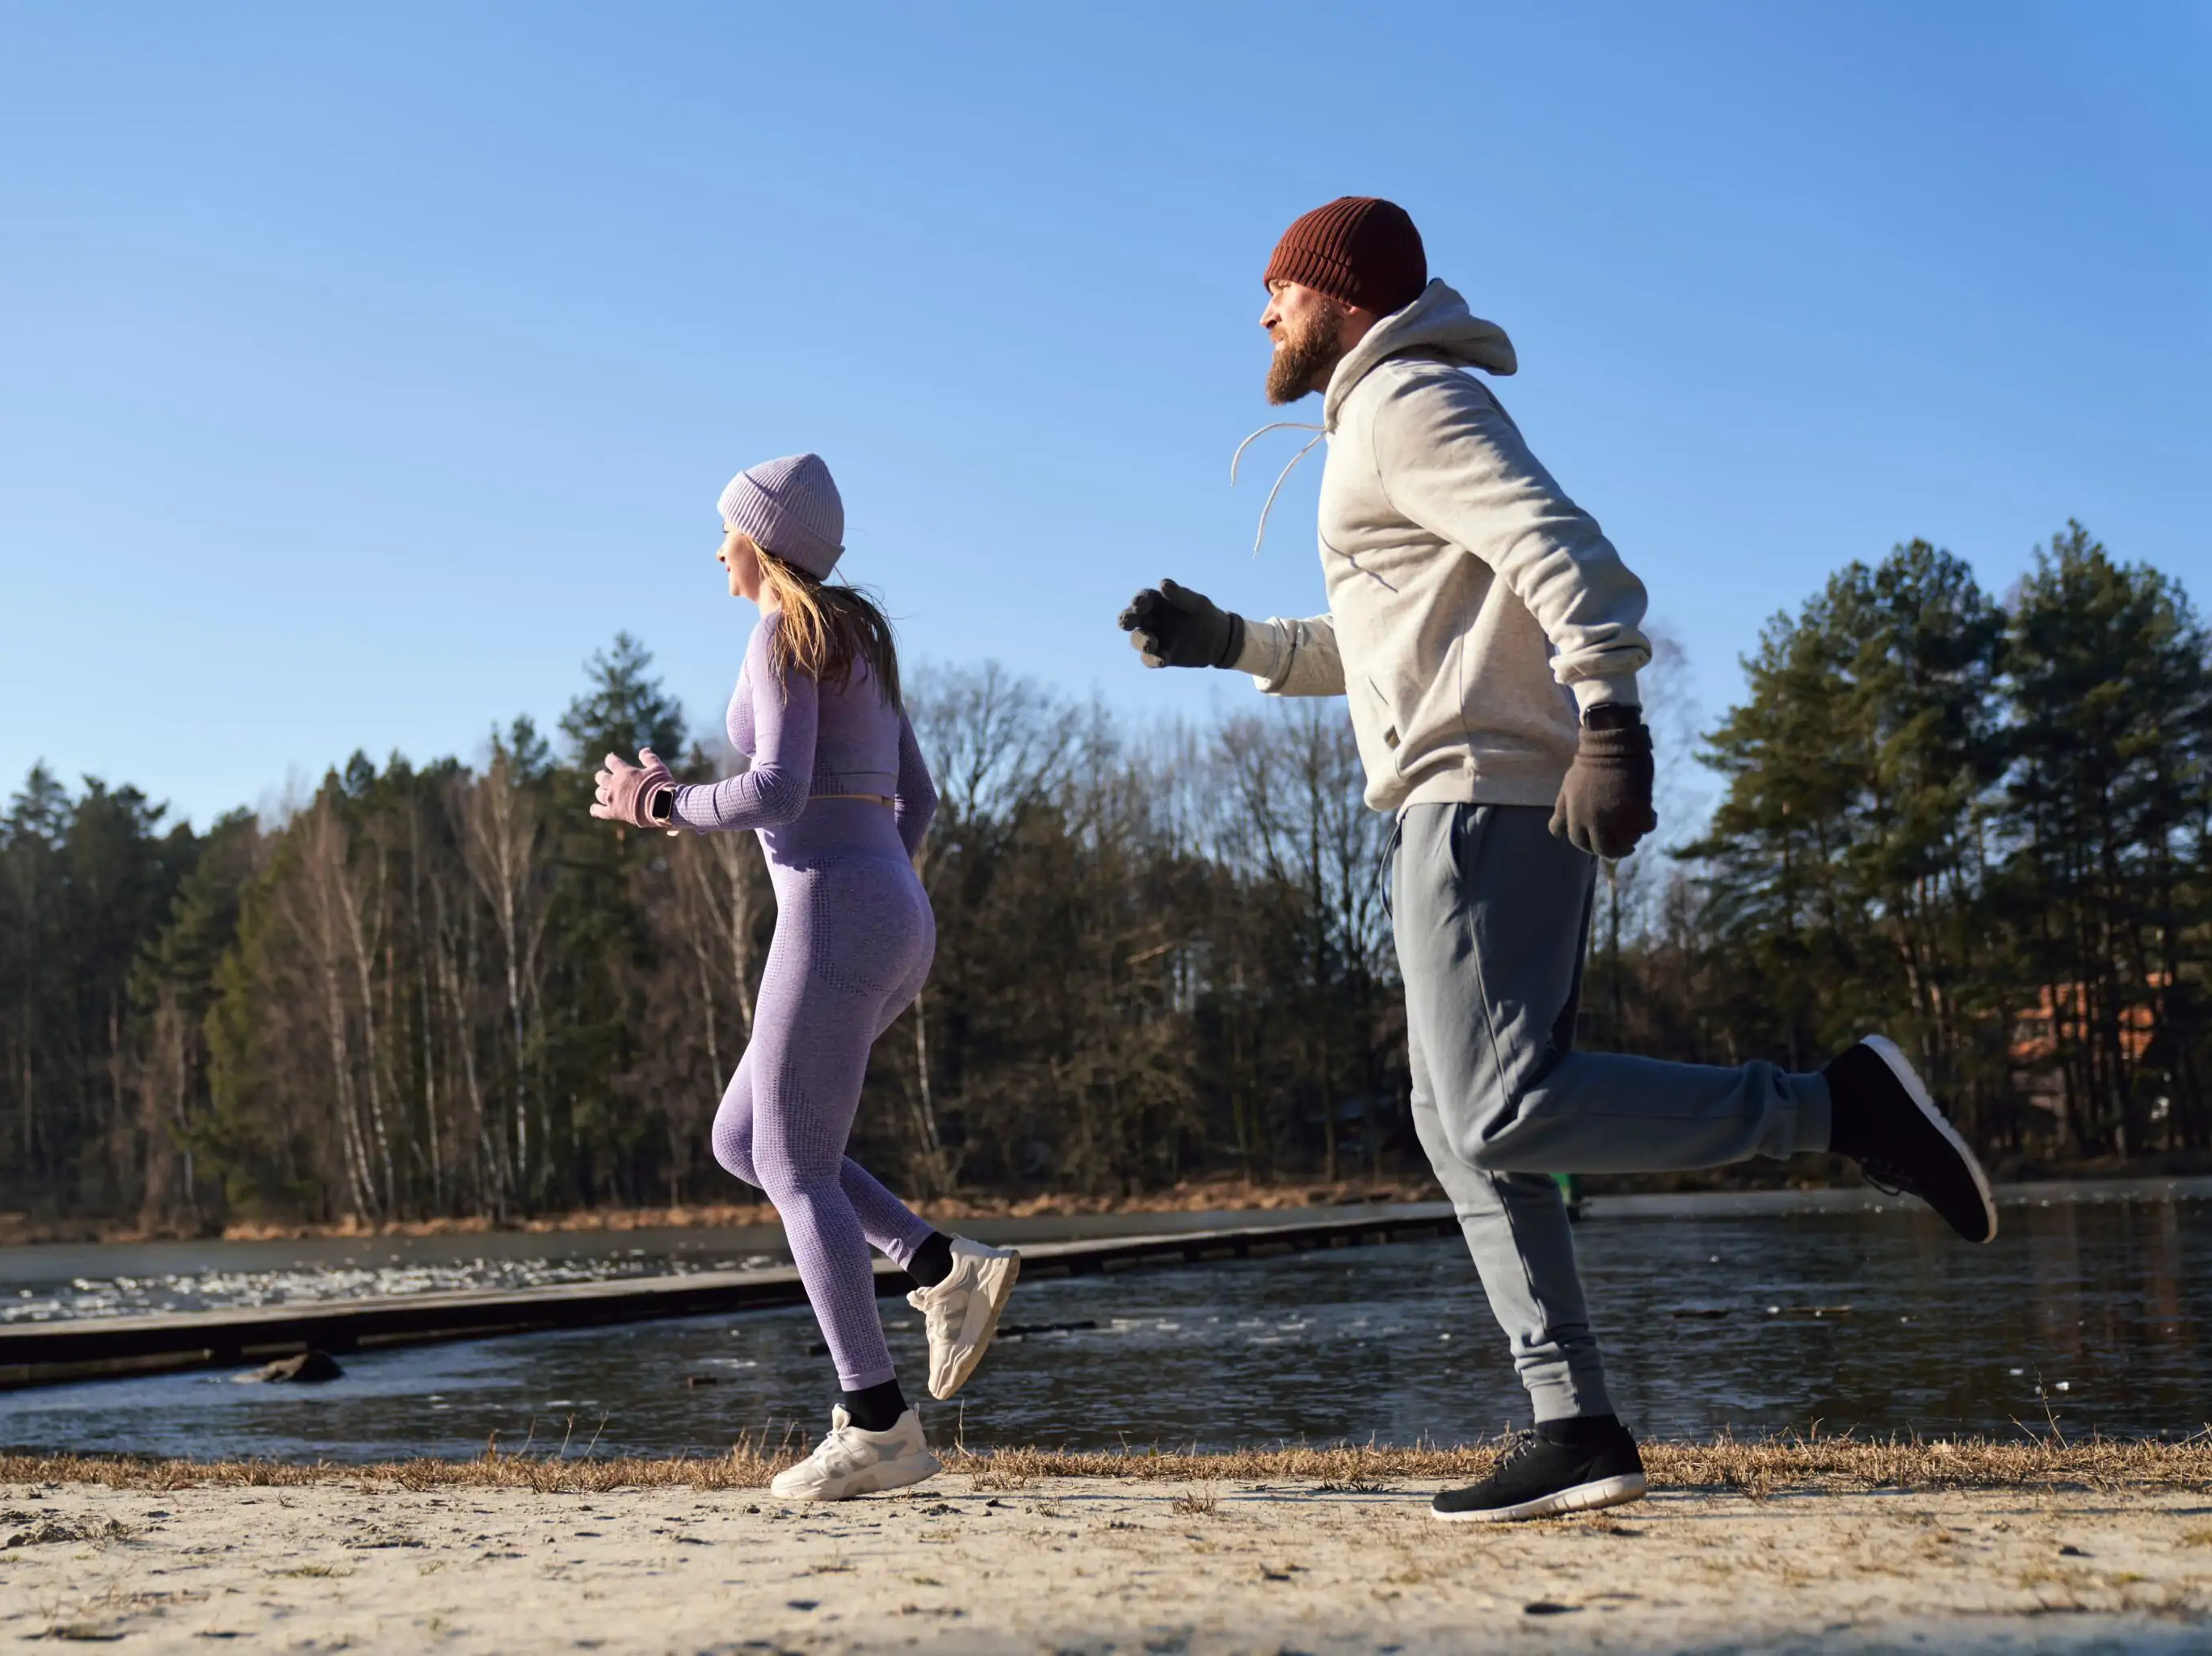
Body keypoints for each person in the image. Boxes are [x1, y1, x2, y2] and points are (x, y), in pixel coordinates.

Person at [1117, 198, 1996, 1524]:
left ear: (1340, 295)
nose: (1263, 315)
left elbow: (1565, 548)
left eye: (1278, 290)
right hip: (1451, 794)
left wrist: (1614, 720)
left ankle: (1835, 1107)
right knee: (1455, 1120)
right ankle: (1573, 1421)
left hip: (1486, 799)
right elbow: (1388, 641)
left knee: (1497, 1108)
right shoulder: (1377, 422)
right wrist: (1231, 640)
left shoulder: (1409, 402)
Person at [592, 452, 1020, 1501]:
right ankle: (936, 1266)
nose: (717, 550)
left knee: (791, 1160)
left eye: (727, 530)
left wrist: (664, 804)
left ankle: (877, 1423)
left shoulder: (782, 632)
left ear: (763, 542)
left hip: (835, 909)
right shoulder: (859, 642)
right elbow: (917, 798)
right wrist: (882, 891)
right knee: (747, 1139)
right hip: (892, 911)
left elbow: (778, 788)